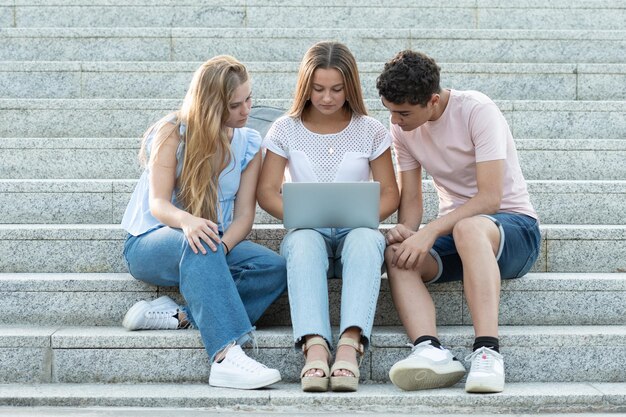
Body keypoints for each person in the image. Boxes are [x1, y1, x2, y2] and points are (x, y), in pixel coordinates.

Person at [376, 50, 541, 393]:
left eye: (403, 113)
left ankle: (487, 352)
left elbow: (490, 198)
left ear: (433, 101)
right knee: (398, 257)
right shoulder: (403, 130)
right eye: (390, 111)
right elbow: (412, 199)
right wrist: (408, 231)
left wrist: (431, 231)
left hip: (512, 228)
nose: (395, 121)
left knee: (469, 226)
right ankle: (430, 350)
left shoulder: (477, 110)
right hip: (458, 233)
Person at [120, 55, 287, 390]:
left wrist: (221, 248)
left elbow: (244, 218)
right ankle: (226, 354)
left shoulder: (250, 144)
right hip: (151, 242)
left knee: (274, 267)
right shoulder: (173, 132)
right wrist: (188, 222)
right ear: (212, 106)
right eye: (235, 105)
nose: (247, 110)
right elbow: (159, 204)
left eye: (249, 99)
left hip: (208, 244)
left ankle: (179, 316)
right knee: (200, 239)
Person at [257, 41, 400, 393]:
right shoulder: (284, 129)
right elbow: (267, 192)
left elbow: (391, 194)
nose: (326, 98)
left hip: (356, 235)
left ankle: (350, 346)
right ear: (305, 86)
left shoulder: (371, 130)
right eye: (318, 89)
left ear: (350, 87)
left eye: (336, 89)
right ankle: (315, 348)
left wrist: (364, 216)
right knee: (304, 241)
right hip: (307, 233)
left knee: (369, 239)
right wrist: (300, 217)